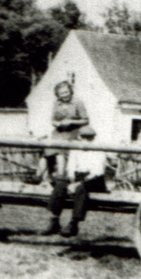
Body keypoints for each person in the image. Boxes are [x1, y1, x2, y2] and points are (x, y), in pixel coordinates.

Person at [39, 80, 92, 235]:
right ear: (58, 95)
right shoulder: (56, 103)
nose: (64, 95)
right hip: (58, 133)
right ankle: (43, 178)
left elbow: (86, 120)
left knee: (62, 155)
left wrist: (71, 121)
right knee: (47, 151)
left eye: (66, 92)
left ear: (71, 91)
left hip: (72, 134)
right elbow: (52, 120)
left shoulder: (78, 102)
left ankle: (60, 180)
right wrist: (58, 124)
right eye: (61, 94)